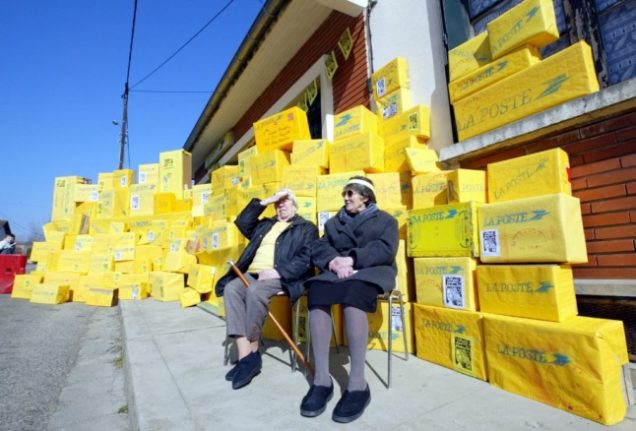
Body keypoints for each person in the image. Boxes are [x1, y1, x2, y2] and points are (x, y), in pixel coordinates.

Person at [300, 176, 398, 423]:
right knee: (317, 292)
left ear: (365, 197)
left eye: (350, 194)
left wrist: (352, 259)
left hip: (372, 269)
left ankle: (358, 385)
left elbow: (385, 250)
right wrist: (333, 261)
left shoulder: (387, 221)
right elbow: (319, 247)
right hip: (337, 271)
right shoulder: (334, 223)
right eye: (344, 194)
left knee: (353, 293)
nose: (345, 198)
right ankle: (322, 380)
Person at [215, 188, 318, 390]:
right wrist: (267, 200)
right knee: (231, 288)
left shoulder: (306, 228)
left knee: (255, 291)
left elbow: (307, 259)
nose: (281, 204)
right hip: (252, 273)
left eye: (285, 200)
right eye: (277, 202)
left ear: (295, 205)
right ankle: (248, 358)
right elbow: (243, 222)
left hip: (281, 276)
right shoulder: (265, 225)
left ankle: (251, 352)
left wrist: (277, 271)